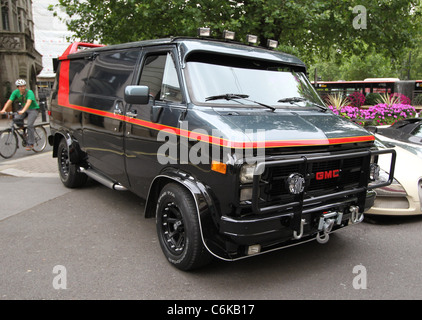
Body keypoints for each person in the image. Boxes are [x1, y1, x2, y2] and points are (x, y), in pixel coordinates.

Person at [0, 79, 40, 150]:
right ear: (18, 87)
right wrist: (4, 109)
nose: (23, 88)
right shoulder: (15, 92)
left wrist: (23, 110)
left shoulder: (29, 92)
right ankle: (24, 130)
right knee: (16, 119)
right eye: (21, 86)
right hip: (23, 109)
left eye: (24, 86)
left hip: (33, 109)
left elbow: (28, 102)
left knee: (29, 125)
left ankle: (31, 143)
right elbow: (9, 101)